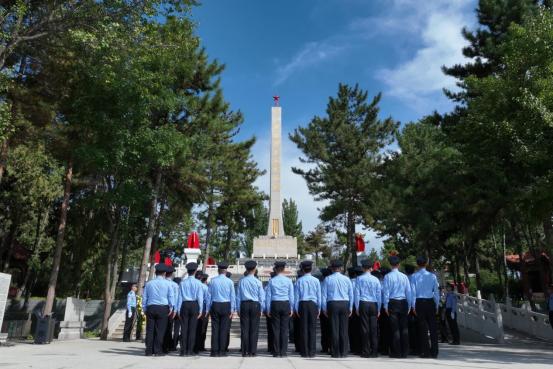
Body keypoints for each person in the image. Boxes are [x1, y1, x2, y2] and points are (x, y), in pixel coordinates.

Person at [322, 259, 353, 358]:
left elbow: (324, 295)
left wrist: (324, 308)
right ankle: (344, 352)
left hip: (332, 303)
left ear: (332, 268)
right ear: (340, 268)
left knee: (334, 329)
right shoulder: (347, 279)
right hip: (344, 303)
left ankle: (335, 352)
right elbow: (351, 294)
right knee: (344, 329)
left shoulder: (327, 279)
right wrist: (351, 306)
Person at [382, 255, 412, 358]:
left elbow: (386, 293)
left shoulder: (387, 277)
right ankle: (405, 351)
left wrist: (385, 305)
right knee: (404, 328)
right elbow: (408, 292)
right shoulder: (404, 277)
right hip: (403, 302)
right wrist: (409, 305)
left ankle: (397, 351)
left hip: (392, 302)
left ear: (390, 265)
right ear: (399, 264)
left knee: (395, 328)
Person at [142, 264, 175, 356]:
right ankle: (157, 350)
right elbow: (171, 296)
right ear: (164, 273)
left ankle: (148, 350)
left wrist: (144, 308)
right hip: (163, 307)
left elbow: (145, 297)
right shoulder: (168, 283)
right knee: (160, 330)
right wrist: (171, 308)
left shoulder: (149, 283)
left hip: (151, 307)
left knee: (150, 330)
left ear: (156, 272)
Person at [411, 256, 439, 358]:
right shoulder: (432, 276)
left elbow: (413, 292)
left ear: (417, 264)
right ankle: (435, 351)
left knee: (422, 328)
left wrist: (413, 305)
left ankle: (425, 352)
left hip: (419, 302)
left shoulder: (414, 276)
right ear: (426, 263)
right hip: (430, 302)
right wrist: (437, 304)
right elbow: (436, 292)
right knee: (433, 327)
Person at [266, 261, 294, 357]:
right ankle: (283, 351)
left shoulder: (272, 281)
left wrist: (268, 308)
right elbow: (291, 296)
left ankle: (276, 351)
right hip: (285, 303)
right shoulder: (288, 281)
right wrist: (292, 307)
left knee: (275, 329)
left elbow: (268, 296)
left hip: (275, 304)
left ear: (276, 269)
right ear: (284, 269)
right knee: (284, 329)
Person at [236, 260, 265, 357]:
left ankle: (244, 351)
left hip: (244, 305)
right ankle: (252, 351)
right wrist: (261, 309)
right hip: (255, 305)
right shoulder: (258, 282)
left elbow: (238, 296)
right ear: (255, 269)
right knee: (254, 329)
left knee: (244, 329)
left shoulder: (241, 281)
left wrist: (238, 309)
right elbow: (261, 297)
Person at [207, 262, 235, 357]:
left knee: (215, 329)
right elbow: (232, 297)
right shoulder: (230, 282)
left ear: (218, 270)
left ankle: (214, 351)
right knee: (224, 329)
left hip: (215, 304)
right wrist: (232, 309)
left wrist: (208, 309)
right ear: (226, 271)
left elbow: (209, 296)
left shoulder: (212, 281)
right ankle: (222, 351)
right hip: (226, 305)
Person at [294, 260, 321, 358]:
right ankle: (312, 351)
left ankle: (304, 351)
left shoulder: (299, 281)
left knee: (303, 328)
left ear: (302, 269)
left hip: (303, 304)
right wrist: (319, 307)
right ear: (311, 269)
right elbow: (319, 295)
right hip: (313, 304)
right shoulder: (316, 280)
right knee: (312, 328)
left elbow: (296, 297)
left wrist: (296, 309)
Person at [354, 259, 381, 358]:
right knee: (374, 328)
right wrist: (379, 308)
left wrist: (357, 307)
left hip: (363, 303)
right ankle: (374, 351)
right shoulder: (376, 279)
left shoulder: (359, 279)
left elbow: (357, 294)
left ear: (363, 268)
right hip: (374, 304)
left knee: (364, 328)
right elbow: (379, 295)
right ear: (371, 268)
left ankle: (366, 351)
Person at [177, 262, 204, 356]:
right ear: (195, 271)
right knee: (192, 329)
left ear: (187, 271)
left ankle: (183, 350)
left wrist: (178, 309)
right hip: (194, 305)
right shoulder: (198, 283)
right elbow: (200, 297)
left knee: (184, 328)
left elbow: (179, 297)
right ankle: (190, 350)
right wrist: (200, 310)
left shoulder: (182, 283)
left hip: (184, 305)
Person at [163, 266, 179, 353]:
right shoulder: (174, 285)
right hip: (171, 308)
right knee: (169, 328)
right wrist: (175, 310)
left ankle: (162, 345)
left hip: (162, 306)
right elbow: (176, 298)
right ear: (172, 274)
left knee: (162, 327)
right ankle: (168, 345)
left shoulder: (161, 283)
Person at [404, 264, 418, 356]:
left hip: (408, 305)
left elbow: (410, 293)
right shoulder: (417, 277)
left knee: (409, 328)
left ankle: (411, 347)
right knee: (417, 328)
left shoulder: (406, 279)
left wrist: (410, 306)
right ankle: (418, 347)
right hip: (417, 304)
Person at [194, 272, 210, 352]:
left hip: (195, 307)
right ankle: (201, 346)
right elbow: (207, 300)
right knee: (203, 329)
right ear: (205, 280)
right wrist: (207, 310)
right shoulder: (205, 287)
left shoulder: (197, 285)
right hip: (203, 309)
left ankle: (194, 345)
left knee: (195, 328)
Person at [318, 268, 332, 354]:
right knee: (331, 328)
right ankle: (330, 346)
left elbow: (321, 297)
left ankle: (325, 347)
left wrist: (321, 308)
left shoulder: (321, 283)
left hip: (325, 308)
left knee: (324, 329)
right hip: (330, 306)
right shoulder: (330, 282)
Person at [172, 277, 182, 350]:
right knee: (178, 328)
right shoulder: (179, 289)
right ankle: (176, 344)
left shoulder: (171, 287)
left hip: (170, 309)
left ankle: (172, 344)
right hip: (179, 310)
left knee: (170, 328)